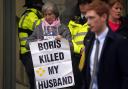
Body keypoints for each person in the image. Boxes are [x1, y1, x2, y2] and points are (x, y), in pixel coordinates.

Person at [82, 1, 128, 89]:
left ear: (103, 17)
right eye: (87, 18)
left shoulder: (119, 42)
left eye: (91, 18)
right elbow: (87, 73)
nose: (88, 22)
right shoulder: (89, 41)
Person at [18, 0, 44, 89]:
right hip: (29, 54)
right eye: (40, 4)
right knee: (36, 83)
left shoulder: (31, 15)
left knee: (36, 83)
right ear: (36, 4)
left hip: (29, 54)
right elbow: (42, 29)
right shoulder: (31, 16)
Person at [67, 0, 92, 89]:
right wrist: (79, 49)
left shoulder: (94, 19)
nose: (82, 6)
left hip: (89, 55)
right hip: (75, 56)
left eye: (85, 3)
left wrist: (85, 49)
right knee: (76, 83)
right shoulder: (72, 21)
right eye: (81, 4)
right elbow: (68, 38)